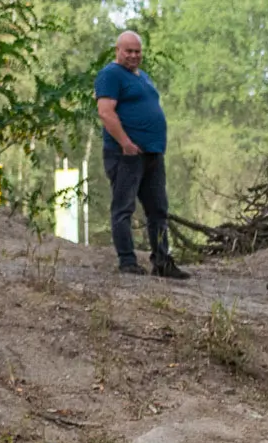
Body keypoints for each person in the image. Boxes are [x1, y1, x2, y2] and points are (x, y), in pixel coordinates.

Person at [95, 32, 185, 279]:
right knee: (123, 207)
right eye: (129, 51)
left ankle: (162, 261)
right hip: (126, 154)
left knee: (158, 209)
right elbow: (105, 112)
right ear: (118, 50)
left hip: (152, 154)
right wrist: (125, 143)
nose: (134, 55)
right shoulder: (110, 75)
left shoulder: (142, 76)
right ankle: (127, 261)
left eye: (137, 51)